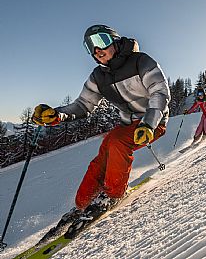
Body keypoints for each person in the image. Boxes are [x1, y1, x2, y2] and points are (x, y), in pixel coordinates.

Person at [32, 24, 170, 213]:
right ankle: (83, 204)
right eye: (90, 46)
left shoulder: (141, 61)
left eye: (100, 41)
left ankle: (112, 195)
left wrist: (149, 123)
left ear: (115, 41)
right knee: (104, 153)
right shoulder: (98, 76)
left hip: (153, 122)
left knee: (117, 142)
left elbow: (160, 92)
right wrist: (57, 115)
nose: (97, 50)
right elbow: (83, 105)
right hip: (128, 124)